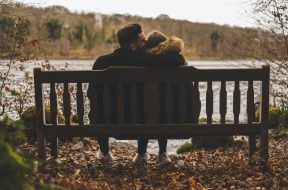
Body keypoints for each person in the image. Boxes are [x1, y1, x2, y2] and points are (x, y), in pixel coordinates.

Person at [87, 23, 185, 162]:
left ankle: (104, 152)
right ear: (133, 46)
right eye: (142, 40)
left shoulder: (101, 62)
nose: (146, 43)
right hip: (140, 119)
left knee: (102, 107)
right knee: (145, 105)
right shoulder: (144, 59)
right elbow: (177, 59)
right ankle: (143, 153)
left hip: (106, 119)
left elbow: (91, 94)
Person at [132, 30, 187, 166]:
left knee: (145, 107)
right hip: (173, 115)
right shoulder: (177, 60)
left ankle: (141, 153)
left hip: (142, 115)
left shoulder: (142, 60)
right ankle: (162, 153)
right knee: (163, 106)